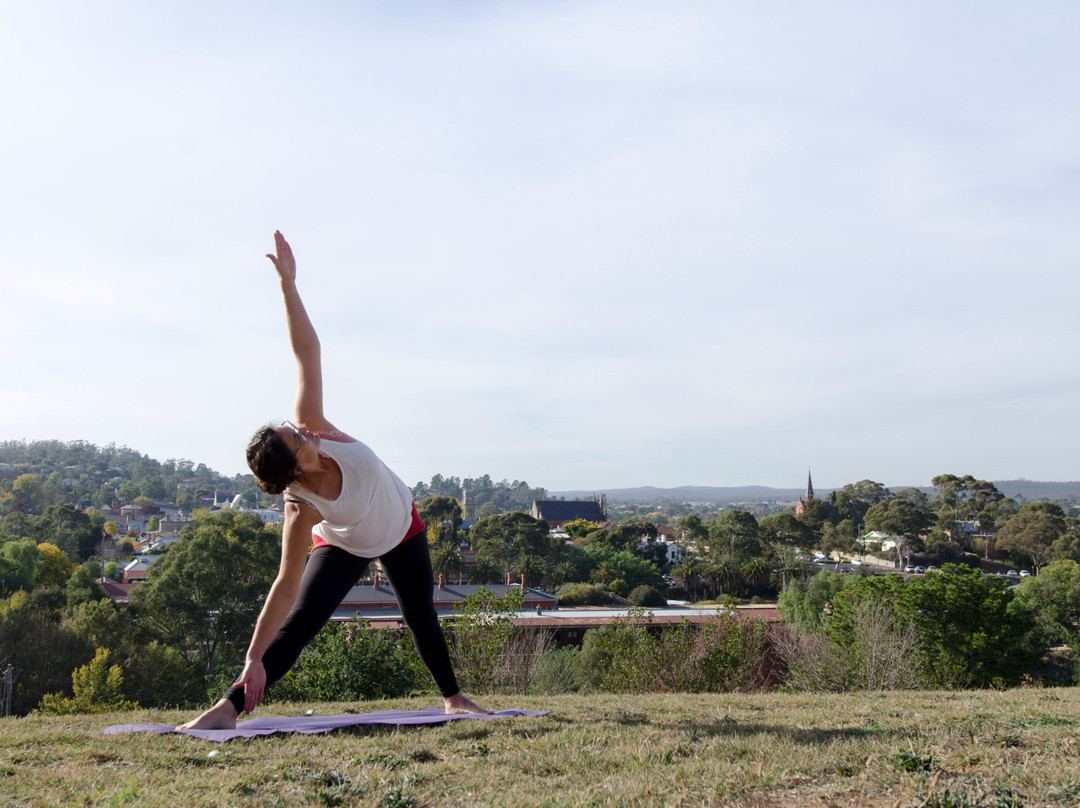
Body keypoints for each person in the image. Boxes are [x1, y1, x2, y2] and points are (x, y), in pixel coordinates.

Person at [179, 231, 488, 730]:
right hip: (345, 542)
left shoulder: (315, 425)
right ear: (296, 467)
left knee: (420, 612)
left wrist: (289, 287)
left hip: (400, 525)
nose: (301, 428)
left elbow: (307, 351)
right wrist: (253, 657)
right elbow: (284, 587)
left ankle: (454, 698)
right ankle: (227, 709)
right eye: (295, 436)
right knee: (303, 621)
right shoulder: (302, 510)